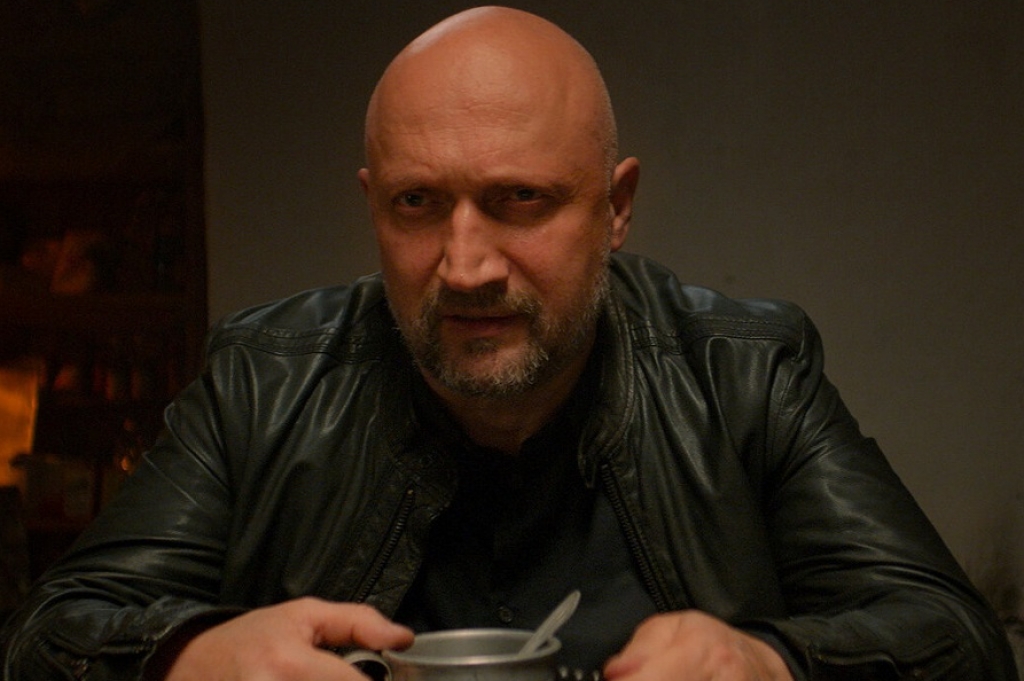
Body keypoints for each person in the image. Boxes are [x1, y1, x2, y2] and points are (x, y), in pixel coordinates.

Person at [1, 6, 1017, 681]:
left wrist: (772, 662)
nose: (465, 264)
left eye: (519, 199)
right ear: (372, 205)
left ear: (615, 208)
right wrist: (186, 656)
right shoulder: (263, 380)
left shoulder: (743, 372)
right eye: (416, 203)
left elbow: (957, 641)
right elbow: (48, 635)